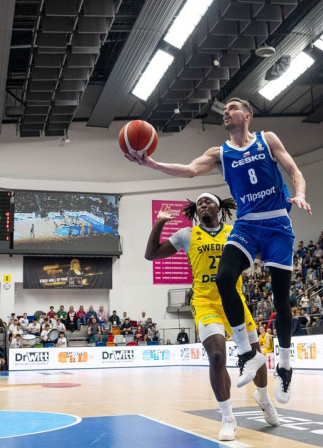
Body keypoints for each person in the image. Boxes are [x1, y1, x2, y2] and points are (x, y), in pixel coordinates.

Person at [127, 97, 311, 405]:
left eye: (233, 107)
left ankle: (286, 365)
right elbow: (188, 170)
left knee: (281, 296)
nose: (226, 112)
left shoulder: (268, 139)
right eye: (224, 110)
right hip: (247, 225)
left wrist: (300, 194)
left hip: (277, 221)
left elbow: (294, 170)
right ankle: (247, 354)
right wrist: (152, 164)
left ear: (247, 115)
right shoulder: (220, 153)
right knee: (224, 278)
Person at [145, 194, 280, 441]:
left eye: (207, 202)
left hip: (234, 300)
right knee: (217, 355)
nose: (203, 205)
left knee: (256, 356)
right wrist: (160, 223)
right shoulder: (187, 235)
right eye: (199, 204)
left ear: (219, 207)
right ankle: (228, 417)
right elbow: (151, 254)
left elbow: (263, 253)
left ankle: (263, 398)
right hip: (205, 302)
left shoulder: (235, 232)